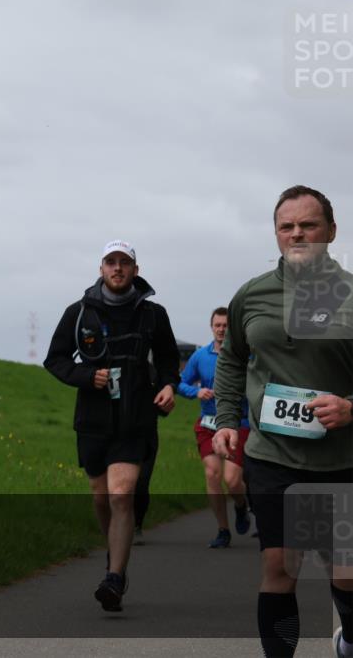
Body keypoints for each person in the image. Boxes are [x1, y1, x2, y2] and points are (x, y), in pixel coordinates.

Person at [212, 185, 352, 658]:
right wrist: (227, 419)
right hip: (273, 455)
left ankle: (348, 637)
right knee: (280, 567)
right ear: (275, 233)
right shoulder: (252, 294)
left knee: (345, 571)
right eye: (286, 226)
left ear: (331, 231)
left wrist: (352, 406)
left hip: (340, 458)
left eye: (308, 225)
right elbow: (231, 359)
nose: (297, 234)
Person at [44, 240, 180, 612]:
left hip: (136, 418)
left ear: (136, 269)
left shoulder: (153, 314)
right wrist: (88, 376)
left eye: (125, 262)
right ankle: (114, 557)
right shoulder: (79, 312)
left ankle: (115, 578)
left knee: (122, 495)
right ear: (101, 268)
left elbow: (169, 359)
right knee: (101, 497)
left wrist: (169, 385)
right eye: (111, 262)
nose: (117, 268)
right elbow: (54, 360)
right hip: (93, 419)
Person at [178, 306, 252, 548]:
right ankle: (223, 530)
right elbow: (180, 382)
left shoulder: (246, 355)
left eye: (225, 325)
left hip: (237, 423)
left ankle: (241, 506)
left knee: (232, 481)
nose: (221, 330)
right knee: (212, 474)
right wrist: (196, 391)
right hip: (208, 424)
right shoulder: (200, 356)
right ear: (212, 327)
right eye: (217, 325)